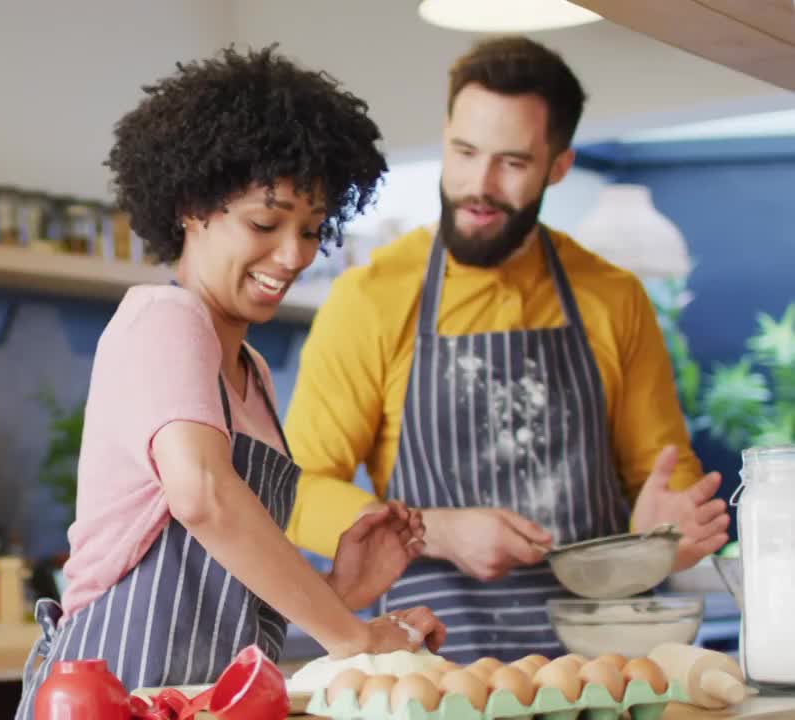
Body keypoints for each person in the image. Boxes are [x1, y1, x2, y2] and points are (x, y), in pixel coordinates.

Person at [15, 45, 447, 718]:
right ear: (192, 205)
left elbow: (223, 604)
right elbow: (205, 497)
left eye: (310, 230)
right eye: (265, 223)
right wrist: (353, 637)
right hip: (111, 699)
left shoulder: (253, 375)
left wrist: (340, 589)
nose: (294, 255)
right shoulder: (165, 321)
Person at [283, 35, 732, 664]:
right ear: (444, 136)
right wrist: (437, 529)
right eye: (464, 152)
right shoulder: (373, 298)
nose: (479, 186)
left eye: (513, 163)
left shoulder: (613, 297)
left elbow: (667, 484)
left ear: (559, 166)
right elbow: (295, 491)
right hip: (433, 681)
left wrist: (664, 538)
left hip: (605, 682)